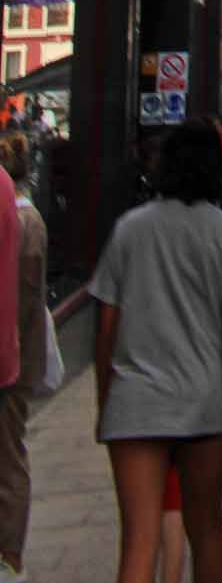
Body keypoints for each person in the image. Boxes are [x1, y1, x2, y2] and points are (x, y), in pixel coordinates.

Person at [90, 116, 222, 583]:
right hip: (201, 401)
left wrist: (105, 399)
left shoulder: (129, 229)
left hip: (134, 400)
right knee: (206, 530)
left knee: (139, 540)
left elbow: (107, 324)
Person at [0, 134, 46, 581]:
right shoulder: (25, 216)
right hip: (11, 356)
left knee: (9, 460)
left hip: (10, 359)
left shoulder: (23, 218)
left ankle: (9, 556)